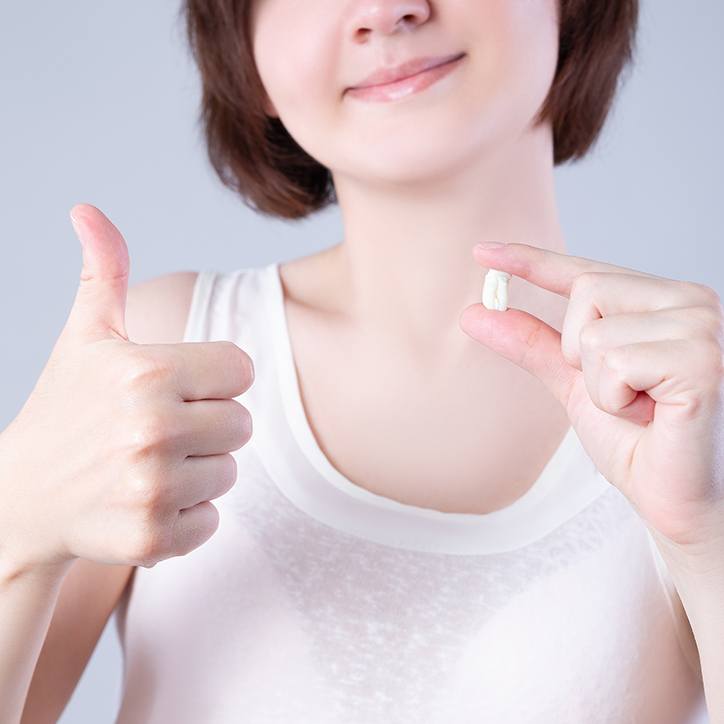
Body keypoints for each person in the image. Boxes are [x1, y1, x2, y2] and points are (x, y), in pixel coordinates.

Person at [1, 1, 718, 722]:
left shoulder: (694, 412)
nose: (384, 11)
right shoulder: (156, 361)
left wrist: (705, 533)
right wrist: (20, 527)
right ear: (244, 51)